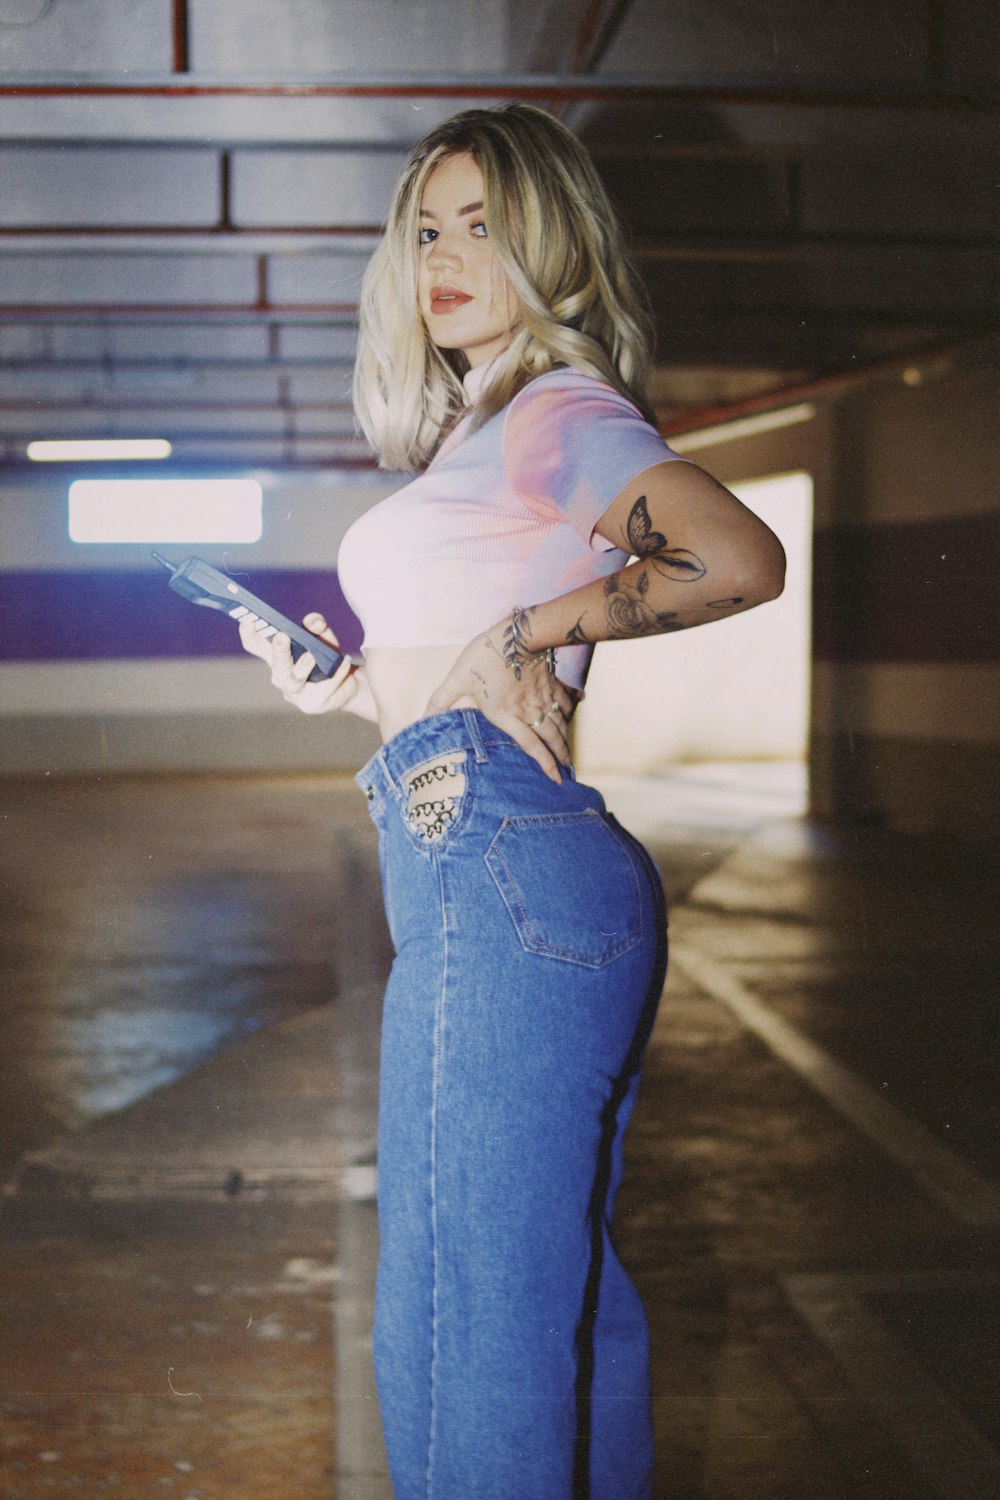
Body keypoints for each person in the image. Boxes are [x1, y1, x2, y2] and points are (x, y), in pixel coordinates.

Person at [240, 103, 785, 1500]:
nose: (445, 253)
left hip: (498, 868)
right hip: (498, 855)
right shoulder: (489, 430)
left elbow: (732, 556)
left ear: (550, 240)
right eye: (427, 226)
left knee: (462, 1320)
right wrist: (352, 691)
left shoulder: (557, 408)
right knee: (551, 1303)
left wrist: (536, 629)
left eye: (484, 225)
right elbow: (459, 673)